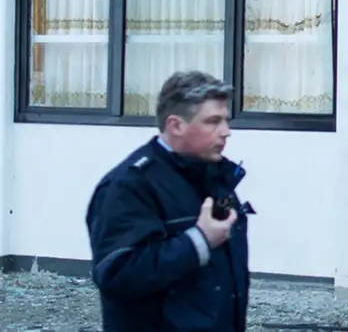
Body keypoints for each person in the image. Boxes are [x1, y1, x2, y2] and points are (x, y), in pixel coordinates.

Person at [86, 71, 251, 332]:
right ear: (176, 125)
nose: (226, 132)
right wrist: (198, 241)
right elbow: (117, 275)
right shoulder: (128, 186)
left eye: (225, 121)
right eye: (213, 121)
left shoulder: (216, 177)